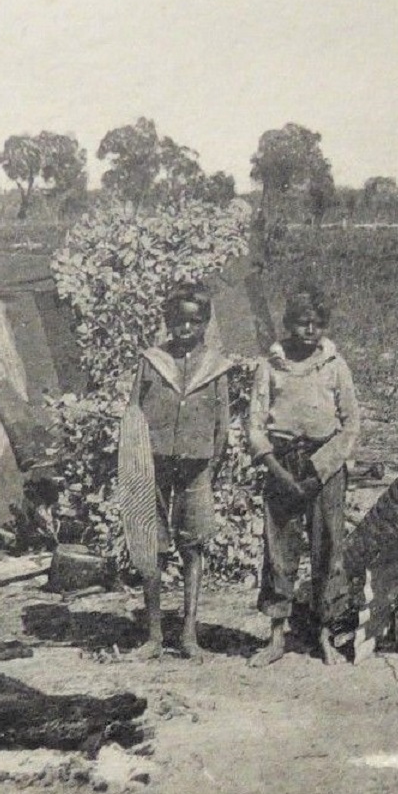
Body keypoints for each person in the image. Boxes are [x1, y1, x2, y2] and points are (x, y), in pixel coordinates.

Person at [247, 286, 360, 667]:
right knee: (279, 549)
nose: (308, 330)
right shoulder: (270, 366)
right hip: (281, 466)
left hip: (324, 466)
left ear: (324, 326)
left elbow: (351, 424)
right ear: (289, 324)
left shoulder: (334, 365)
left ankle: (324, 634)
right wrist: (276, 470)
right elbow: (255, 426)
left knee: (328, 548)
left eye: (316, 323)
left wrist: (320, 470)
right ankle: (277, 636)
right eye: (301, 322)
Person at [121, 283, 232, 660]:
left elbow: (223, 423)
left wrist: (212, 466)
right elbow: (134, 413)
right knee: (151, 543)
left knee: (193, 544)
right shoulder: (152, 360)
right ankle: (153, 635)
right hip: (152, 464)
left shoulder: (215, 366)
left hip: (196, 466)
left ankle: (189, 633)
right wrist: (134, 463)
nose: (186, 329)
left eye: (194, 322)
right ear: (168, 322)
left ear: (204, 324)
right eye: (179, 321)